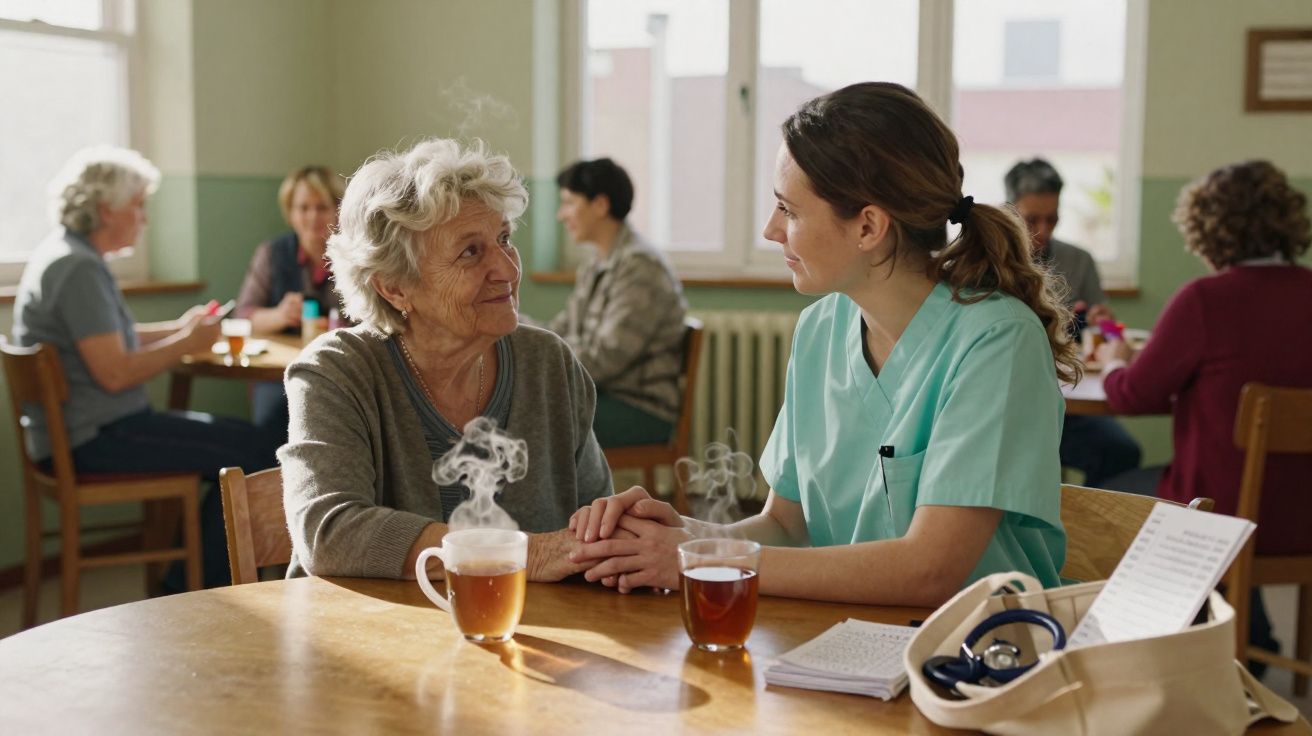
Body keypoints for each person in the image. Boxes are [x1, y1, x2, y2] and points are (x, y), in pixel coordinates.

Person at [568, 83, 1076, 606]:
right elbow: (786, 527)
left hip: (980, 643)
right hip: (847, 635)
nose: (771, 230)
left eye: (788, 210)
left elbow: (930, 571)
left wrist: (695, 560)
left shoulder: (997, 342)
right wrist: (680, 536)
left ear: (868, 226)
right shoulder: (821, 329)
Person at [281, 138, 615, 582]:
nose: (508, 270)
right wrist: (525, 555)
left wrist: (626, 530)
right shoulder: (336, 373)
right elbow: (329, 535)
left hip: (525, 624)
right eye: (470, 252)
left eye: (504, 239)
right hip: (363, 626)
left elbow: (594, 523)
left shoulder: (548, 363)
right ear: (394, 287)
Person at [11, 146, 278, 590]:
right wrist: (186, 343)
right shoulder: (78, 269)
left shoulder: (67, 254)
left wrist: (180, 329)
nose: (144, 218)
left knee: (248, 444)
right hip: (96, 437)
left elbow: (112, 339)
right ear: (106, 209)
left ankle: (196, 580)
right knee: (254, 454)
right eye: (138, 205)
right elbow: (115, 372)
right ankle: (194, 589)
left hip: (81, 432)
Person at [1096, 160, 1312, 673]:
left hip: (1219, 517)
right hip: (1301, 516)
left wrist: (1114, 361)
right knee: (1243, 485)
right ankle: (1249, 636)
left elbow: (1132, 396)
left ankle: (1156, 648)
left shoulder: (1204, 302)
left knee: (1105, 495)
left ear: (1209, 231)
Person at [1005, 158, 1141, 487]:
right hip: (1010, 404)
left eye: (1052, 219)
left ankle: (1090, 519)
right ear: (1009, 213)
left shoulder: (1079, 261)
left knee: (1121, 453)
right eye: (1032, 220)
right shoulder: (991, 261)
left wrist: (1106, 326)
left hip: (1068, 405)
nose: (1043, 231)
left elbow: (1112, 336)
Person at [548, 158, 688, 448]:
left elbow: (606, 358)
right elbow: (561, 330)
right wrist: (521, 335)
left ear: (600, 205)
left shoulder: (640, 266)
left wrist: (543, 364)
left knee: (534, 414)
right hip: (603, 396)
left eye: (569, 203)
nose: (561, 215)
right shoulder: (596, 264)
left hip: (639, 409)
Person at [233, 165, 345, 436]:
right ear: (290, 213)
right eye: (303, 208)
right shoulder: (272, 254)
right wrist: (279, 315)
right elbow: (242, 317)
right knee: (274, 418)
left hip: (341, 370)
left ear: (338, 210)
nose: (312, 216)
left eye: (322, 207)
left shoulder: (355, 255)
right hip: (277, 374)